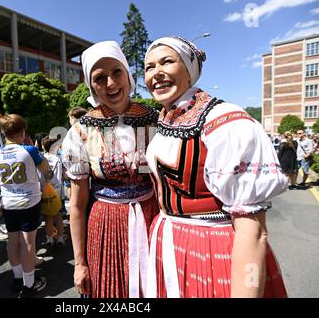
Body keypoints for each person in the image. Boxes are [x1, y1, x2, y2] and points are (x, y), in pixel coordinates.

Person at [143, 36, 288, 298]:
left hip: (213, 248)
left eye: (167, 62)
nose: (157, 73)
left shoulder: (224, 120)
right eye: (149, 67)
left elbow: (252, 231)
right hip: (167, 245)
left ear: (190, 69)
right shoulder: (163, 124)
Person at [62, 41, 159, 298]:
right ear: (90, 85)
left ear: (128, 74)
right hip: (105, 224)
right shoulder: (81, 131)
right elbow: (77, 205)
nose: (111, 83)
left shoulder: (155, 120)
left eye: (117, 72)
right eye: (99, 78)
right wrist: (80, 262)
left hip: (153, 217)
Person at [0, 114, 52, 298]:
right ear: (22, 131)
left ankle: (17, 279)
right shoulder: (29, 151)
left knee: (13, 241)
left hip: (8, 203)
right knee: (28, 243)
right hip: (28, 202)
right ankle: (29, 284)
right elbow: (46, 169)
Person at [41, 136, 65, 248]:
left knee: (48, 217)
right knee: (58, 216)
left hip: (45, 190)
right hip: (57, 190)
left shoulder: (40, 158)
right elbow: (62, 175)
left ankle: (50, 239)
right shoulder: (57, 159)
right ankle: (60, 238)